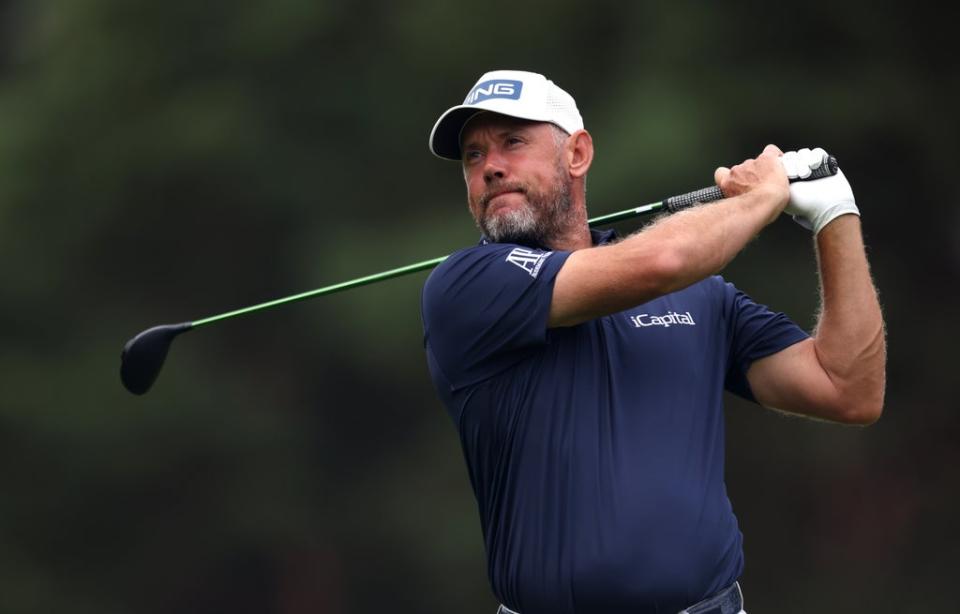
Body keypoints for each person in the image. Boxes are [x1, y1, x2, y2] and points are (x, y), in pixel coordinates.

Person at [420, 70, 886, 614]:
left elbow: (848, 389)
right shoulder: (467, 286)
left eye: (513, 143)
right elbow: (659, 261)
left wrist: (836, 215)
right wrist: (762, 198)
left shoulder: (702, 297)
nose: (491, 166)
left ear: (577, 154)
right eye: (473, 157)